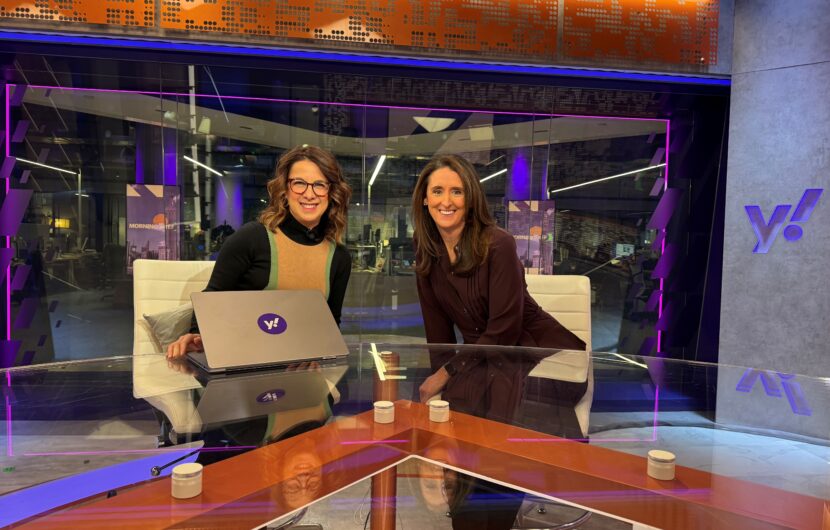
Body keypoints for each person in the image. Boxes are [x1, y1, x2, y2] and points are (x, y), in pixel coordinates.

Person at [411, 154, 586, 402]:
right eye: (437, 191)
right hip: (484, 360)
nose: (446, 201)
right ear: (425, 199)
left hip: (541, 357)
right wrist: (439, 377)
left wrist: (448, 372)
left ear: (471, 199)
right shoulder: (425, 247)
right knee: (441, 403)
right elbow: (437, 329)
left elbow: (504, 330)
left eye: (457, 192)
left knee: (481, 410)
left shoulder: (498, 244)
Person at [167, 145, 352, 358]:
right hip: (241, 361)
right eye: (299, 183)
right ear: (285, 190)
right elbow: (212, 299)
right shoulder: (251, 238)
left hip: (301, 365)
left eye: (319, 185)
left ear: (331, 192)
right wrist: (197, 335)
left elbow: (330, 324)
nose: (309, 194)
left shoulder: (339, 257)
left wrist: (318, 358)